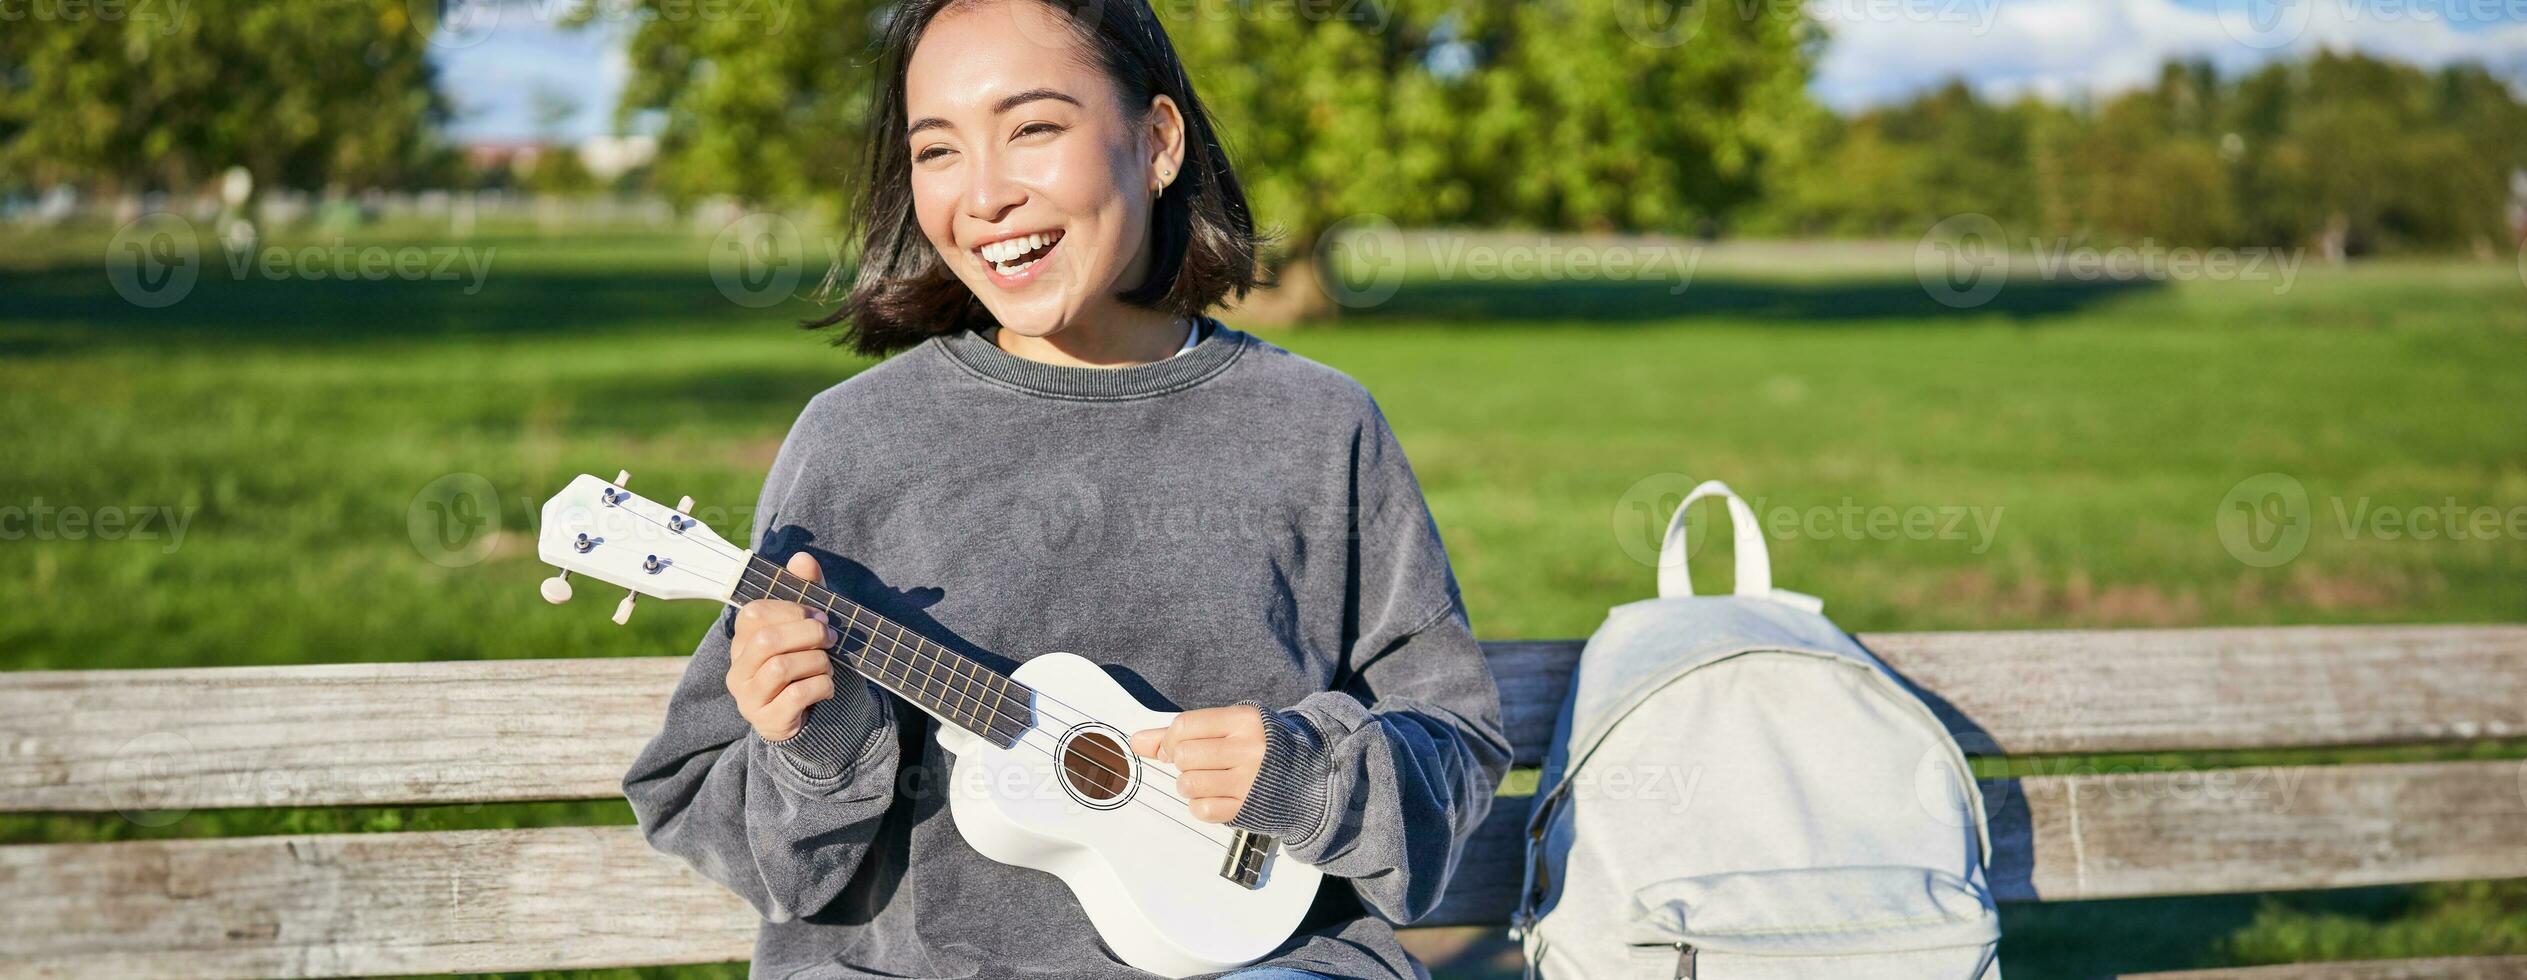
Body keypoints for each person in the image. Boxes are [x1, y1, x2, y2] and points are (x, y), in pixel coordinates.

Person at [621, 0, 1510, 976]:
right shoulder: (856, 441)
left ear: (1158, 141)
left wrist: (1304, 774)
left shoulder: (1317, 425)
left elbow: (1453, 744)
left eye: (1033, 128)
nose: (985, 193)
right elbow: (741, 839)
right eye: (938, 151)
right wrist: (814, 745)